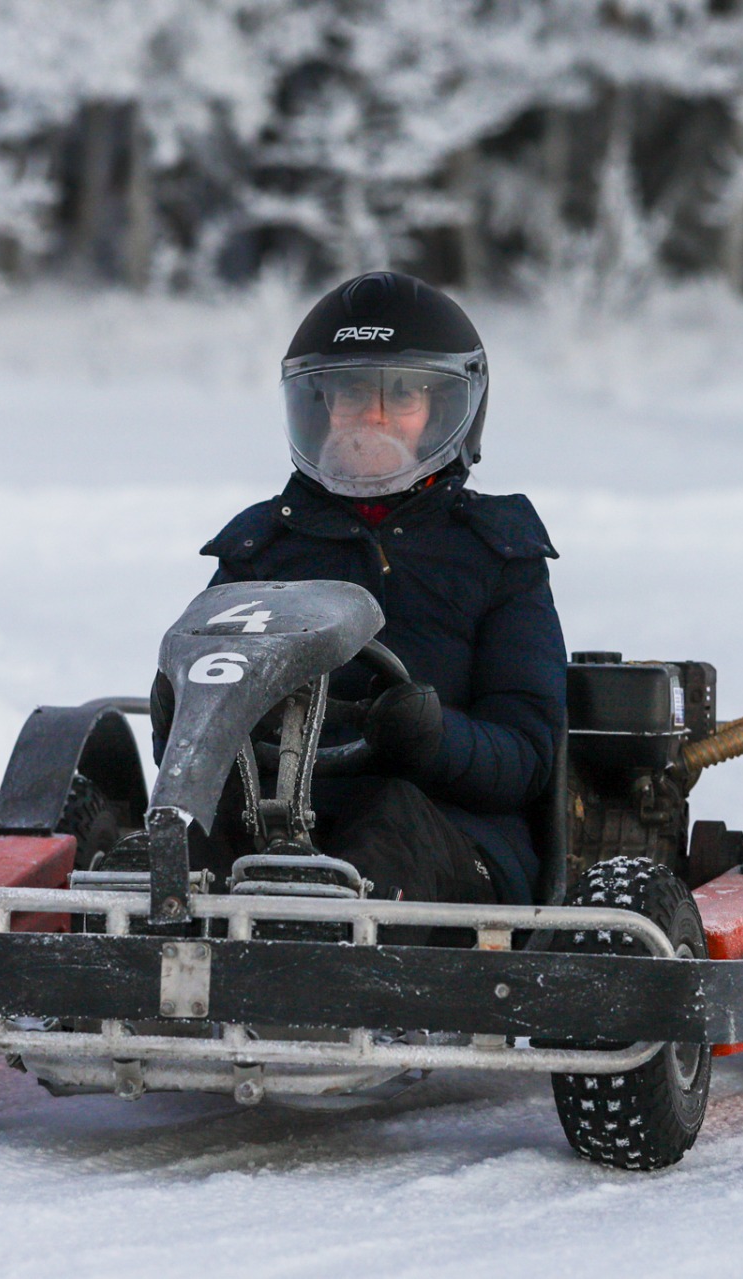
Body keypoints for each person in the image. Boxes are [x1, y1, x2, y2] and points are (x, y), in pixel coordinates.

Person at [199, 271, 567, 907]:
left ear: (448, 411)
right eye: (348, 395)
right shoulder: (259, 550)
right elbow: (197, 756)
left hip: (453, 841)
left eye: (400, 397)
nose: (370, 418)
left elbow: (528, 758)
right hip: (274, 830)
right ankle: (119, 974)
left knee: (390, 817)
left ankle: (313, 966)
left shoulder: (498, 556)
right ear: (319, 407)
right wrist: (188, 709)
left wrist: (432, 737)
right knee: (185, 839)